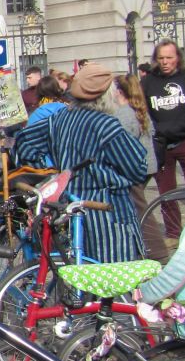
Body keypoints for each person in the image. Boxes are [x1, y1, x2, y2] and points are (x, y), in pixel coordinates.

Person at [16, 62, 147, 262]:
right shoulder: (106, 125)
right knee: (113, 279)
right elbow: (137, 169)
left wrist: (50, 168)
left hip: (71, 208)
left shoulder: (59, 118)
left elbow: (24, 142)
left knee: (80, 272)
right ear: (106, 95)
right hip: (106, 212)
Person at [141, 40, 185, 243]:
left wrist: (180, 127)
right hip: (161, 143)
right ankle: (173, 233)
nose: (165, 62)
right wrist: (156, 131)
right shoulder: (147, 82)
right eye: (161, 58)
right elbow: (141, 111)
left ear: (177, 58)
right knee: (167, 191)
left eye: (169, 58)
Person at [114, 74, 169, 262]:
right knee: (135, 207)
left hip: (135, 168)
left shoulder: (124, 113)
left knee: (139, 209)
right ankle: (140, 248)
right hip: (147, 165)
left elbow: (122, 143)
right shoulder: (138, 109)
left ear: (119, 91)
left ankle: (158, 252)